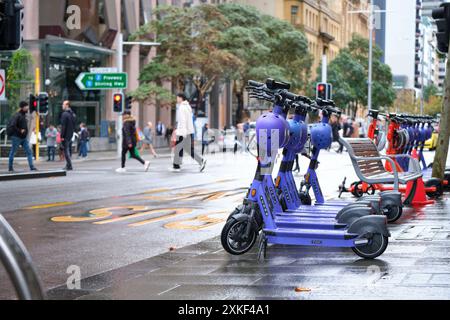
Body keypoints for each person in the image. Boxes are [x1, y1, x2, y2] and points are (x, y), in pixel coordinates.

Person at [171, 93, 206, 173]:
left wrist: (180, 133)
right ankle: (200, 161)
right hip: (189, 132)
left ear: (181, 98)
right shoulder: (188, 107)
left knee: (178, 148)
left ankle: (176, 166)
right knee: (187, 149)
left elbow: (182, 121)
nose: (176, 99)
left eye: (177, 98)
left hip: (183, 132)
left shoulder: (182, 107)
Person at [7, 101, 38, 172]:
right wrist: (20, 130)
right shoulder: (17, 115)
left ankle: (32, 167)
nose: (28, 107)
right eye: (26, 106)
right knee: (13, 152)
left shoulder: (24, 115)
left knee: (29, 152)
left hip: (23, 138)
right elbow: (12, 125)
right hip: (16, 137)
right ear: (23, 107)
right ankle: (10, 167)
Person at [60, 100, 76, 171]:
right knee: (68, 150)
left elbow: (63, 126)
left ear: (67, 105)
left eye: (63, 104)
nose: (62, 106)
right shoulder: (72, 114)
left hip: (66, 135)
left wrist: (62, 136)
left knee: (66, 151)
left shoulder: (64, 114)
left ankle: (69, 165)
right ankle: (68, 165)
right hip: (70, 134)